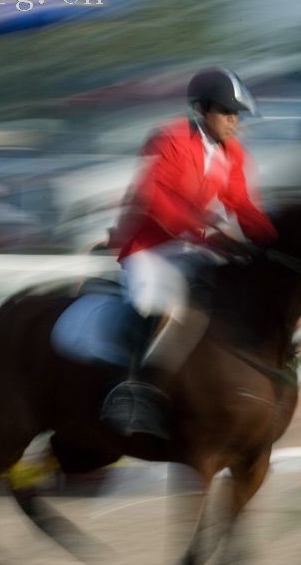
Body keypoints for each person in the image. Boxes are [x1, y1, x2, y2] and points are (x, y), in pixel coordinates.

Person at [101, 67, 278, 440]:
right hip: (150, 248)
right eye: (227, 113)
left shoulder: (234, 154)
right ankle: (130, 392)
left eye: (237, 115)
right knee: (157, 304)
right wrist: (207, 234)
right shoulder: (169, 139)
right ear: (202, 110)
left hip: (192, 248)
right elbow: (155, 199)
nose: (234, 121)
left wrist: (272, 244)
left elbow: (244, 205)